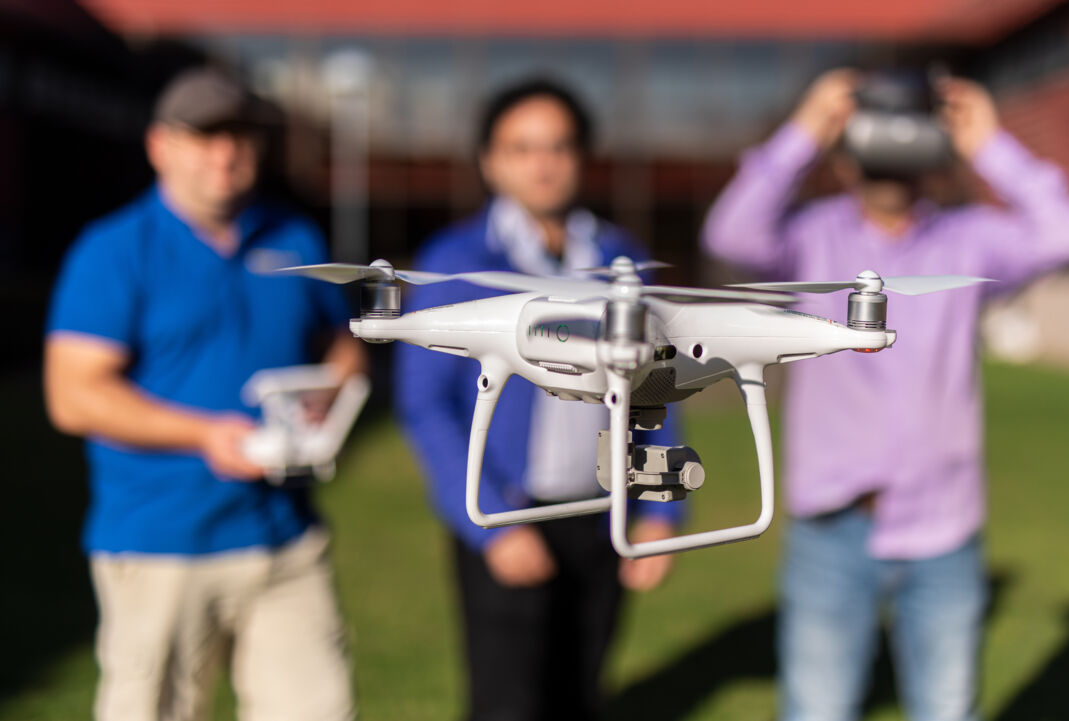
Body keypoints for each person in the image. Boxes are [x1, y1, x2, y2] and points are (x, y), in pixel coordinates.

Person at [702, 68, 1069, 721]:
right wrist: (805, 129)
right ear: (847, 151)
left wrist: (990, 144)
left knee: (947, 709)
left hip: (944, 529)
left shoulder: (969, 240)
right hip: (830, 525)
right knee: (816, 709)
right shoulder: (810, 238)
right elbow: (729, 233)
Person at [43, 67, 364, 721]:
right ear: (160, 145)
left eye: (241, 135)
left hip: (284, 536)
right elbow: (72, 394)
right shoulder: (113, 250)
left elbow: (344, 340)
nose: (226, 153)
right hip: (161, 540)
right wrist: (203, 433)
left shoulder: (294, 237)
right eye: (205, 136)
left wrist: (328, 396)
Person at [395, 78, 681, 721]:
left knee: (582, 691)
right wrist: (488, 521)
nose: (543, 163)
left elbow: (659, 384)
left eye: (558, 146)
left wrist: (662, 513)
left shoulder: (620, 259)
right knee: (507, 702)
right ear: (490, 161)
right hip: (509, 515)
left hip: (605, 514)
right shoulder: (456, 263)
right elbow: (424, 403)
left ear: (581, 156)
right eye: (522, 148)